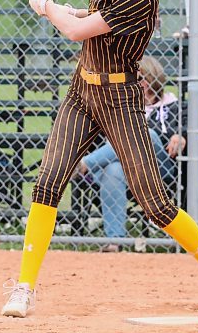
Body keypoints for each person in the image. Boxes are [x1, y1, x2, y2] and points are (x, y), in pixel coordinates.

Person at [1, 0, 198, 318]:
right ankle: (24, 287)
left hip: (119, 99)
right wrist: (63, 8)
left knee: (155, 204)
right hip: (82, 92)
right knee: (47, 182)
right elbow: (87, 21)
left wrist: (45, 7)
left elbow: (76, 33)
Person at [77, 55, 187, 251]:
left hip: (159, 169)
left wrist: (181, 135)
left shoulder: (176, 106)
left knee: (146, 133)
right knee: (113, 171)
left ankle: (85, 165)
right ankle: (115, 241)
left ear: (152, 79)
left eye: (139, 78)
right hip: (126, 168)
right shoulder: (118, 106)